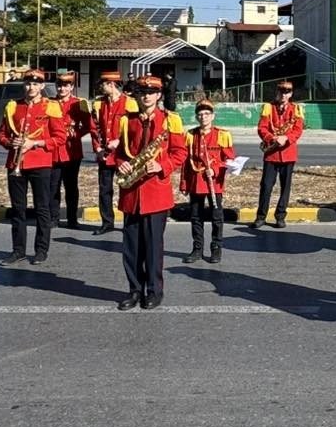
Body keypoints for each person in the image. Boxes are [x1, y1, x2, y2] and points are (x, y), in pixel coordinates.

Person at [114, 75, 187, 310]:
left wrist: (162, 166)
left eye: (151, 92)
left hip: (156, 192)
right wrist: (120, 163)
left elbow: (180, 153)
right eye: (142, 92)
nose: (146, 96)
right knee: (131, 248)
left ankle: (154, 291)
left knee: (154, 247)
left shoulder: (170, 121)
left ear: (158, 96)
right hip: (132, 193)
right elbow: (121, 153)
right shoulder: (128, 121)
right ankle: (134, 290)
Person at [0, 69, 67, 267]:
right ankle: (18, 250)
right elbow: (1, 135)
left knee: (41, 208)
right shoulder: (13, 106)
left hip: (40, 163)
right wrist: (11, 142)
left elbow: (60, 138)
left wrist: (35, 143)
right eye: (28, 84)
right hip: (15, 163)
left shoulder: (50, 106)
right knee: (18, 210)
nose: (31, 87)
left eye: (36, 84)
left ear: (42, 86)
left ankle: (41, 250)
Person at [182, 99, 235, 265]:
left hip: (214, 183)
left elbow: (230, 159)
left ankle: (216, 248)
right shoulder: (190, 135)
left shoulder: (222, 135)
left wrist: (216, 169)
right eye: (200, 114)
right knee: (196, 217)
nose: (203, 117)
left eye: (206, 114)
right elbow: (185, 162)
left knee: (216, 217)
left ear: (212, 116)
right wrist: (184, 184)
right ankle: (197, 249)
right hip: (196, 181)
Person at [89, 70, 137, 236]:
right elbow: (94, 128)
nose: (101, 87)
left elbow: (134, 129)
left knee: (127, 188)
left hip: (124, 155)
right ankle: (107, 222)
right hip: (105, 155)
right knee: (104, 190)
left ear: (111, 84)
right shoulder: (99, 104)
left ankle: (128, 222)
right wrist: (97, 149)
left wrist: (119, 141)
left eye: (103, 84)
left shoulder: (129, 103)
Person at [254, 79, 304, 229]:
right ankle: (261, 216)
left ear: (291, 94)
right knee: (266, 186)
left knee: (285, 187)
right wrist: (272, 138)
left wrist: (287, 138)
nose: (283, 95)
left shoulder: (296, 109)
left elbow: (298, 130)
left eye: (287, 92)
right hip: (271, 154)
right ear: (277, 92)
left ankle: (280, 216)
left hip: (288, 153)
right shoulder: (268, 108)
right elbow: (262, 128)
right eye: (281, 91)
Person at [48, 69, 92, 231]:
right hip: (53, 151)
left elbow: (88, 126)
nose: (62, 89)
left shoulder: (79, 103)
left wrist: (76, 133)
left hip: (72, 150)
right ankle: (53, 218)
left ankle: (72, 218)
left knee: (71, 186)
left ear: (72, 87)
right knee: (53, 186)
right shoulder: (49, 103)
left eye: (66, 86)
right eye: (59, 85)